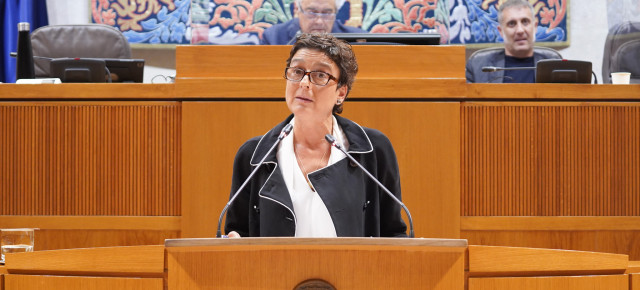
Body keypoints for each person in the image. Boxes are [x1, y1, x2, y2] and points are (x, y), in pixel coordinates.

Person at [225, 33, 407, 238]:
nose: (304, 82)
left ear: (341, 93)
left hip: (352, 270)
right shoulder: (254, 155)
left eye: (320, 75)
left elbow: (393, 234)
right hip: (277, 271)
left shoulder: (372, 150)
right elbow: (237, 232)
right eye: (297, 71)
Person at [465, 0, 561, 83]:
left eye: (525, 22)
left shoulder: (554, 65)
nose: (520, 30)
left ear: (535, 27)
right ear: (501, 31)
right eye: (511, 23)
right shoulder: (477, 66)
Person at [260, 0, 366, 45]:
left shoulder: (358, 40)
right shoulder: (274, 37)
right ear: (299, 11)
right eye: (312, 12)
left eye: (327, 13)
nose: (319, 21)